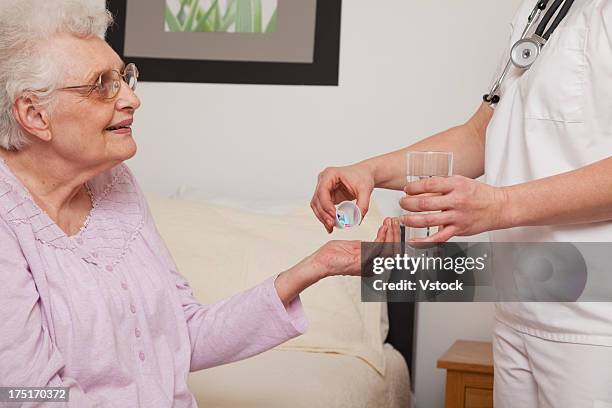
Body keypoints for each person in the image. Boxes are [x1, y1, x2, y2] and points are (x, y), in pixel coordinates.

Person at [0, 1, 395, 406]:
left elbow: (182, 333)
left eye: (124, 77)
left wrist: (318, 265)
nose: (131, 100)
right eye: (102, 84)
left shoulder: (114, 183)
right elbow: (24, 394)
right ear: (34, 113)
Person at [311, 0, 612, 406]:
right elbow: (481, 136)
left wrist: (500, 205)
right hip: (517, 307)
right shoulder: (538, 10)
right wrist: (370, 170)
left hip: (596, 322)